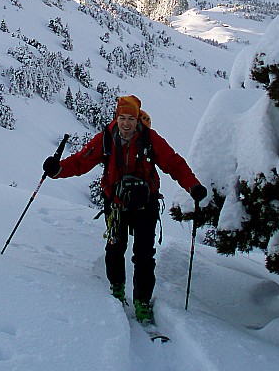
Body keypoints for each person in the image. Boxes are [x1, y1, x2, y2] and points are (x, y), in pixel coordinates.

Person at [43, 95, 207, 324]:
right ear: (116, 117)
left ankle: (141, 301)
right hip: (117, 205)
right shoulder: (106, 139)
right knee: (115, 249)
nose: (126, 123)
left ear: (138, 118)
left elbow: (174, 163)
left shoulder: (150, 139)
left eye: (131, 118)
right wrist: (58, 169)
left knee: (143, 255)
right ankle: (117, 288)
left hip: (144, 205)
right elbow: (82, 161)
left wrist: (193, 185)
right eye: (122, 118)